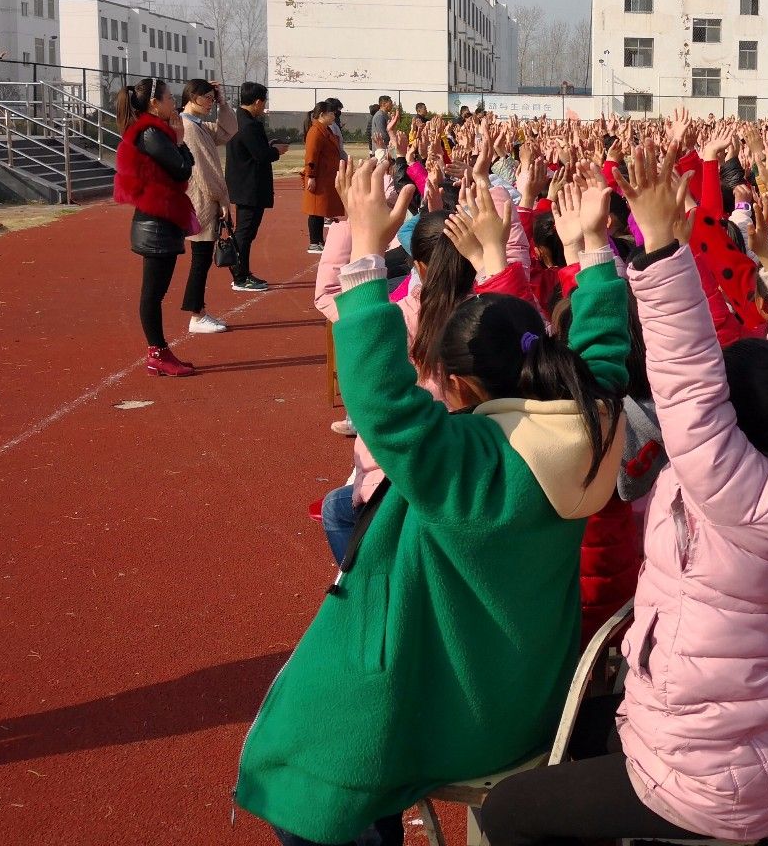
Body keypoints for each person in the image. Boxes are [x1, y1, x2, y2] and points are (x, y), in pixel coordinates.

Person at [235, 156, 630, 846]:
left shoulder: (470, 466)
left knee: (313, 765)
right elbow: (602, 349)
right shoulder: (590, 421)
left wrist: (363, 255)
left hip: (463, 715)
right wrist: (592, 251)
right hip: (531, 695)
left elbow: (382, 404)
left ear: (457, 384)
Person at [479, 144, 768, 846]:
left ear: (731, 425)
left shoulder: (730, 487)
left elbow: (687, 376)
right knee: (575, 735)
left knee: (507, 810)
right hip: (759, 747)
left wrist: (659, 250)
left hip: (703, 777)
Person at [112, 78, 198, 378]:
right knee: (152, 294)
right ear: (153, 102)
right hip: (155, 224)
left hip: (159, 219)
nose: (173, 103)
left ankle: (159, 351)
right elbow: (183, 168)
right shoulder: (152, 133)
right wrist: (181, 139)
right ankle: (157, 353)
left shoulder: (154, 132)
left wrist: (177, 141)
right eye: (169, 98)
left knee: (154, 292)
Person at [177, 79, 237, 333]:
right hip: (201, 200)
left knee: (201, 259)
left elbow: (228, 131)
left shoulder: (197, 125)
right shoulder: (189, 128)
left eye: (213, 98)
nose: (211, 102)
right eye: (208, 98)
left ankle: (198, 311)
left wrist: (223, 103)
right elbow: (203, 171)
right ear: (193, 97)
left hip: (204, 198)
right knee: (200, 259)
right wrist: (222, 198)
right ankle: (196, 314)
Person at [225, 82, 285, 293]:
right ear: (258, 101)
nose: (264, 106)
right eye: (264, 102)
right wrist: (276, 151)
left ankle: (242, 272)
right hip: (249, 187)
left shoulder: (239, 121)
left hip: (244, 185)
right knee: (245, 232)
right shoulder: (249, 125)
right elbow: (260, 155)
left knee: (246, 232)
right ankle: (240, 276)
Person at [302, 102, 343, 253]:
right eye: (331, 113)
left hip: (325, 176)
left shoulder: (324, 130)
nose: (334, 116)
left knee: (320, 209)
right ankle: (314, 241)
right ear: (322, 115)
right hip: (318, 176)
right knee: (315, 208)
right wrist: (311, 176)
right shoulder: (315, 132)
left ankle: (319, 240)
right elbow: (311, 156)